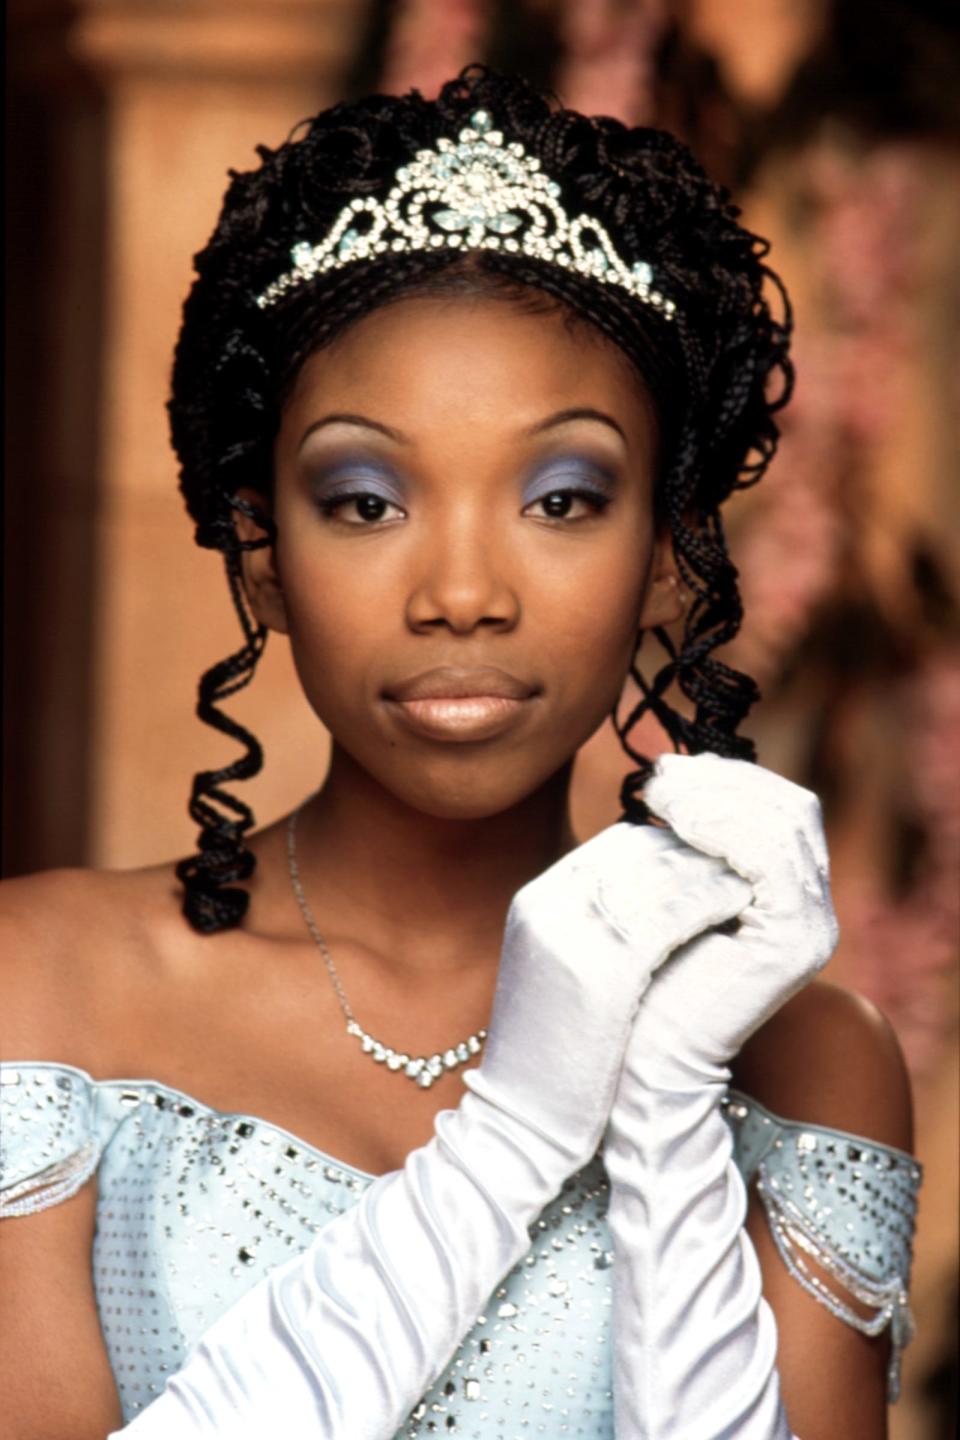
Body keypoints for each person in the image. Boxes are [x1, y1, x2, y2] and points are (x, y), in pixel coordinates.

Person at [0, 66, 920, 1440]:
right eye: (366, 500)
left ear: (669, 562)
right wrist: (518, 1132)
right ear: (262, 557)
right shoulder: (40, 988)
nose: (464, 592)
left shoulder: (809, 1066)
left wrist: (663, 1112)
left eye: (564, 496)